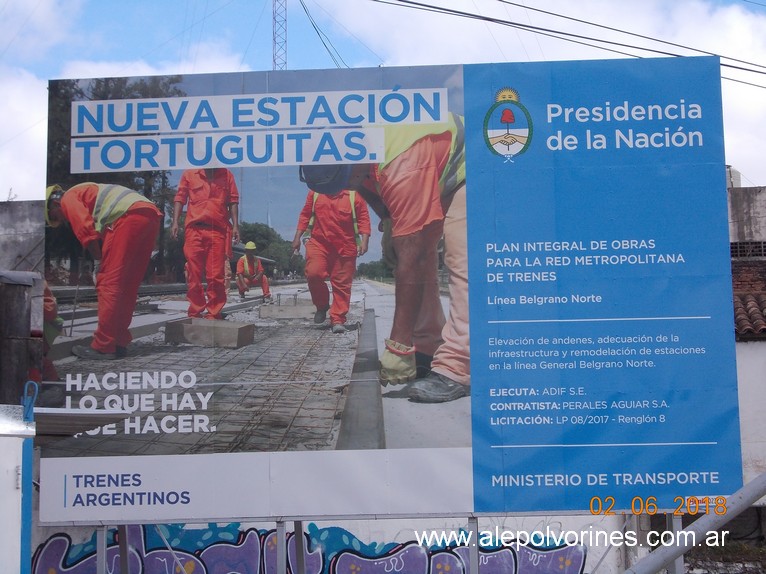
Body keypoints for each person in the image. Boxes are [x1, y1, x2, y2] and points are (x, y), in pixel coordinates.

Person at [299, 112, 469, 402]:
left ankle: (458, 367)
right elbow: (370, 188)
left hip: (470, 168)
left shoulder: (401, 164)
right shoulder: (357, 154)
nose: (344, 191)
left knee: (459, 260)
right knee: (423, 259)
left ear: (352, 165)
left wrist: (398, 347)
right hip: (430, 176)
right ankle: (427, 349)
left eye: (343, 184)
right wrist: (390, 222)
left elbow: (410, 263)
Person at [45, 182, 162, 360]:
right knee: (127, 285)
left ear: (54, 204)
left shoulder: (68, 197)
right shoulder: (87, 191)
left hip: (126, 217)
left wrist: (99, 262)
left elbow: (86, 231)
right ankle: (119, 342)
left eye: (56, 217)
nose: (62, 221)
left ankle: (104, 346)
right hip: (149, 215)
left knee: (108, 283)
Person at [291, 188, 371, 333]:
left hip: (345, 245)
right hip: (318, 243)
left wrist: (365, 240)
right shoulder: (315, 192)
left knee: (342, 284)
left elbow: (363, 218)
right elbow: (305, 216)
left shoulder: (354, 195)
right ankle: (322, 306)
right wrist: (297, 237)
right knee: (313, 273)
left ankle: (338, 319)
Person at [172, 168, 240, 320]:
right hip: (194, 230)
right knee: (193, 273)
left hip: (217, 231)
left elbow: (233, 201)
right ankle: (195, 311)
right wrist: (175, 222)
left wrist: (235, 226)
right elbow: (180, 198)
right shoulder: (190, 174)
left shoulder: (227, 174)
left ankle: (214, 313)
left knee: (216, 275)